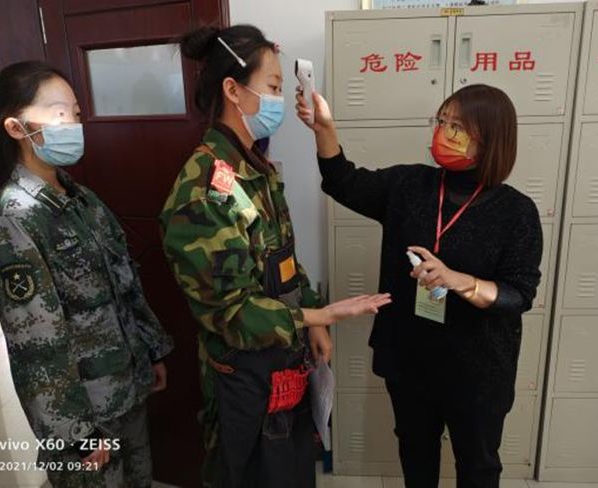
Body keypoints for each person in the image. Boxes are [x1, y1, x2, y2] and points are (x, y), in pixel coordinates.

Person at [159, 25, 391, 488]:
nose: (280, 101)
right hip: (243, 376)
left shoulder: (254, 169)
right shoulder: (204, 190)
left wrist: (314, 320)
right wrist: (321, 314)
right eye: (272, 87)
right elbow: (230, 313)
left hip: (282, 362)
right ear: (233, 90)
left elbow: (282, 258)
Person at [296, 83, 543, 488]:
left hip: (477, 370)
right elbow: (344, 182)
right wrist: (324, 128)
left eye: (457, 126)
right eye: (442, 120)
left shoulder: (516, 212)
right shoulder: (410, 185)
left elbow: (519, 294)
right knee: (416, 454)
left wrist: (460, 281)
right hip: (410, 359)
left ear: (490, 138)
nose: (443, 132)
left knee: (478, 465)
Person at [0, 61, 174, 487]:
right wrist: (76, 434)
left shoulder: (80, 198)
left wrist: (151, 350)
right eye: (58, 113)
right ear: (15, 127)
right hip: (85, 418)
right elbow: (36, 346)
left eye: (75, 113)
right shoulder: (14, 221)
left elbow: (124, 282)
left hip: (126, 388)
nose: (73, 123)